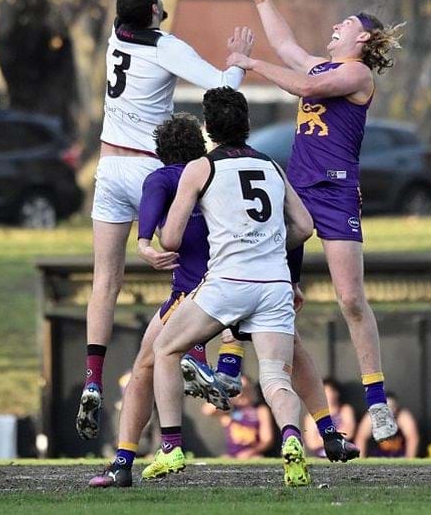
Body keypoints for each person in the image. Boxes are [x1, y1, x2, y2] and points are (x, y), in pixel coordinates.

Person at [89, 113, 357, 489]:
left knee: (148, 364)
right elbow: (294, 226)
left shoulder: (184, 175)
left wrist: (144, 242)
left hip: (207, 290)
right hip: (265, 283)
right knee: (288, 361)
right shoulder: (262, 166)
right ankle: (323, 431)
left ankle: (130, 459)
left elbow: (164, 226)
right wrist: (292, 279)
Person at [77, 0, 251, 441]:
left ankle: (92, 380)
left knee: (105, 281)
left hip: (108, 169)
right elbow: (219, 87)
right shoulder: (163, 47)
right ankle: (197, 348)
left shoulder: (117, 34)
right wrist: (237, 63)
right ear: (153, 14)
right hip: (152, 174)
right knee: (200, 256)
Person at [227, 0, 407, 444]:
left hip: (337, 193)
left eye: (345, 23)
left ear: (362, 38)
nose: (334, 25)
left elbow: (304, 83)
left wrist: (249, 62)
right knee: (257, 275)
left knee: (350, 298)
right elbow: (287, 46)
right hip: (298, 192)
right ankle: (227, 365)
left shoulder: (356, 76)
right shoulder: (328, 64)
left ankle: (376, 400)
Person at [145, 87, 316, 487]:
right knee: (275, 380)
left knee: (165, 349)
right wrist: (270, 246)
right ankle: (291, 440)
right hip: (274, 284)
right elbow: (305, 227)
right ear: (247, 126)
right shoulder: (271, 165)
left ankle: (171, 448)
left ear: (208, 129)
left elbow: (170, 240)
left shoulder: (200, 168)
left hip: (229, 281)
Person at [205, 377, 274, 459]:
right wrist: (229, 395)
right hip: (231, 455)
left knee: (258, 459)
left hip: (252, 454)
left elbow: (267, 440)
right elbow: (207, 410)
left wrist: (251, 452)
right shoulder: (229, 410)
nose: (243, 393)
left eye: (246, 389)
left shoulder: (260, 410)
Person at [354, 392, 418, 458]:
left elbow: (412, 438)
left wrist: (409, 461)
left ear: (396, 408)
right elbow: (361, 438)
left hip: (399, 457)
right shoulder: (371, 417)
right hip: (377, 458)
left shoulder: (403, 417)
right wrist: (361, 460)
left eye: (391, 407)